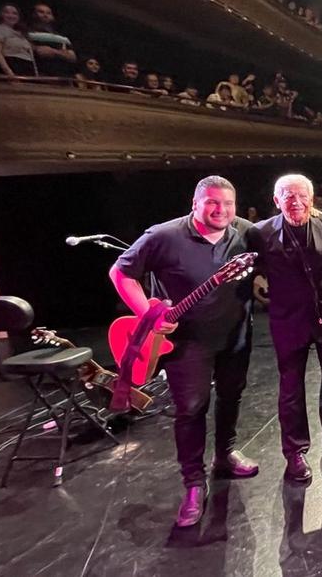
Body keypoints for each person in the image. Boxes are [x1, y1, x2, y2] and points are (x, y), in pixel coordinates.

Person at [108, 176, 258, 528]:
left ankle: (224, 455)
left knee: (232, 396)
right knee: (191, 409)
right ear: (195, 203)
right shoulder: (164, 236)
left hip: (234, 335)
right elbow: (121, 272)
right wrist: (147, 312)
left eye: (228, 204)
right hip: (185, 342)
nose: (221, 210)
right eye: (212, 203)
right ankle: (193, 482)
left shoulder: (244, 233)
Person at [246, 175, 322, 485]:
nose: (295, 201)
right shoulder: (260, 233)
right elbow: (255, 272)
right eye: (287, 196)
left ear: (312, 198)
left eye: (301, 195)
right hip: (289, 322)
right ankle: (294, 451)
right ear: (276, 201)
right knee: (290, 390)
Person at [0, 4, 36, 78]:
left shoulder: (22, 33)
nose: (11, 15)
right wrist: (9, 73)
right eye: (7, 12)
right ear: (0, 14)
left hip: (27, 69)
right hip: (11, 66)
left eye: (14, 13)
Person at [27, 3, 77, 77]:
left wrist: (53, 52)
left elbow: (73, 57)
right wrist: (36, 48)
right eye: (41, 12)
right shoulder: (26, 32)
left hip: (61, 78)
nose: (45, 15)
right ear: (33, 14)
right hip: (36, 76)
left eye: (48, 13)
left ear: (52, 17)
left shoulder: (61, 37)